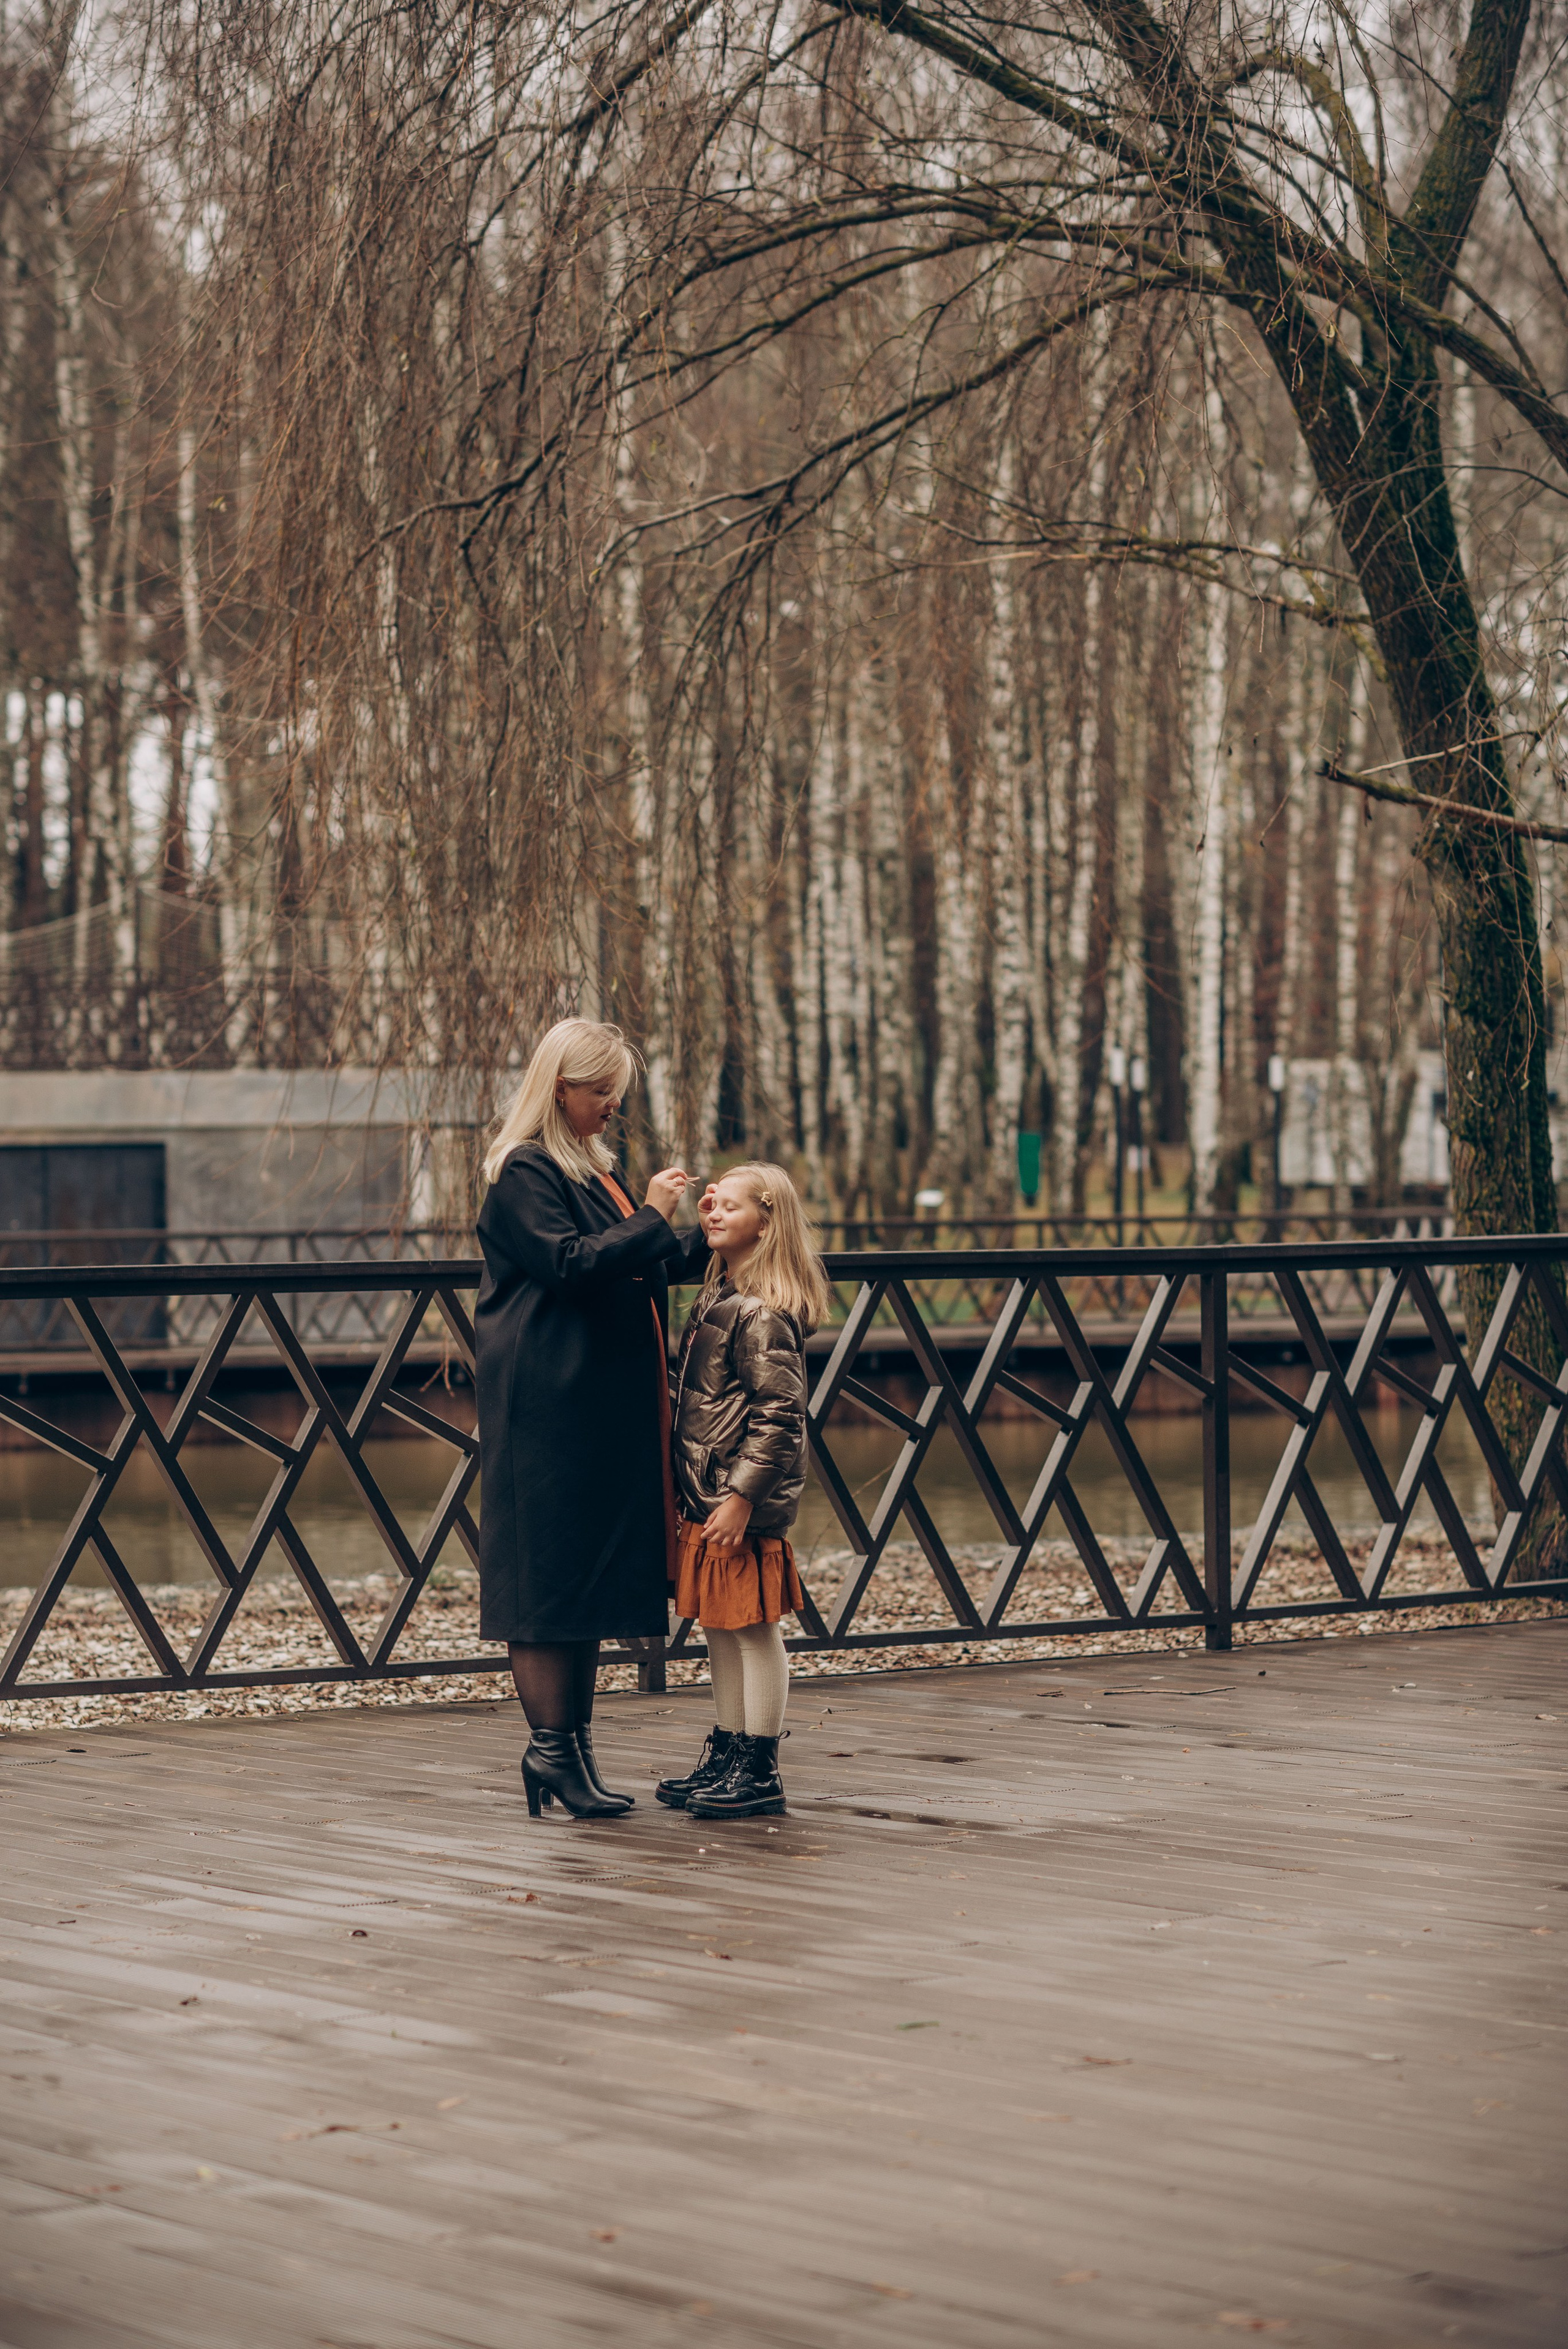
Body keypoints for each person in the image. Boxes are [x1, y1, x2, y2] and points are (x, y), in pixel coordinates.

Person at [475, 1019, 709, 1819]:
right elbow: (570, 1264)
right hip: (546, 1406)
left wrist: (716, 1233)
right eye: (600, 1089)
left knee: (574, 1575)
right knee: (546, 1578)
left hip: (592, 1404)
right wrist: (652, 1214)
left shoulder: (592, 1170)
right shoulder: (524, 1171)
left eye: (617, 1090)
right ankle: (551, 1750)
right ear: (560, 1088)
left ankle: (569, 1751)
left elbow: (640, 1261)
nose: (613, 1103)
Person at [657, 1163, 832, 1820]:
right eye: (709, 1204)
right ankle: (729, 1752)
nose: (712, 1213)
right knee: (720, 1628)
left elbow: (780, 1417)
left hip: (738, 1501)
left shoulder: (761, 1311)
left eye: (730, 1206)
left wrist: (741, 1497)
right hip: (709, 1493)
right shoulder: (719, 1295)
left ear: (766, 1222)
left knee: (754, 1631)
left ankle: (760, 1768)